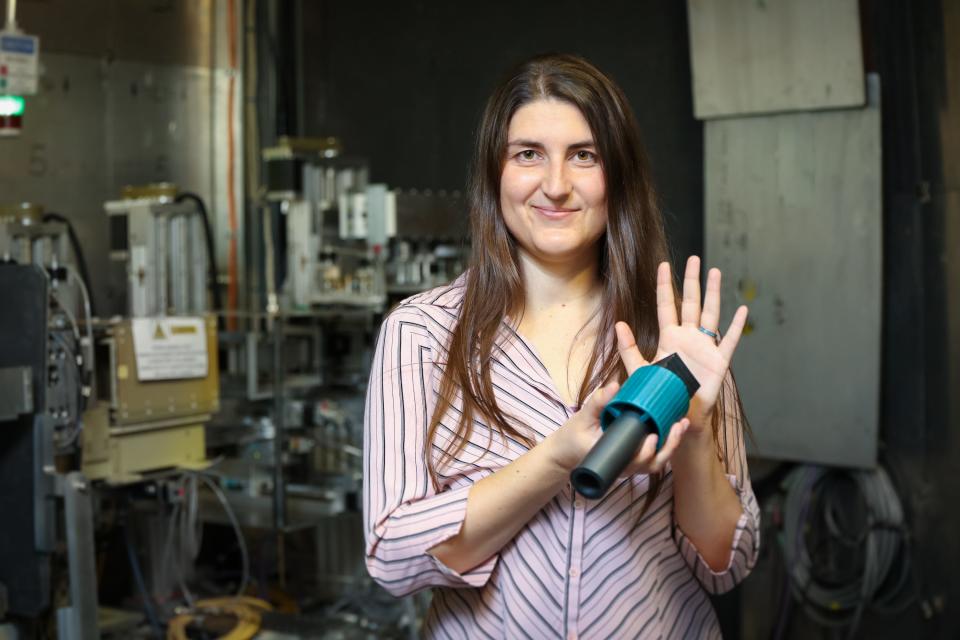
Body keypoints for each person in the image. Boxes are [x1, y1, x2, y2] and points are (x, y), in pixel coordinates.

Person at [363, 53, 759, 639]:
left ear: (616, 174)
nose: (555, 185)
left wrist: (695, 433)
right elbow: (393, 558)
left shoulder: (673, 334)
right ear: (494, 172)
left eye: (585, 155)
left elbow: (729, 565)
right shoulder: (421, 333)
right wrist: (554, 459)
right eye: (528, 154)